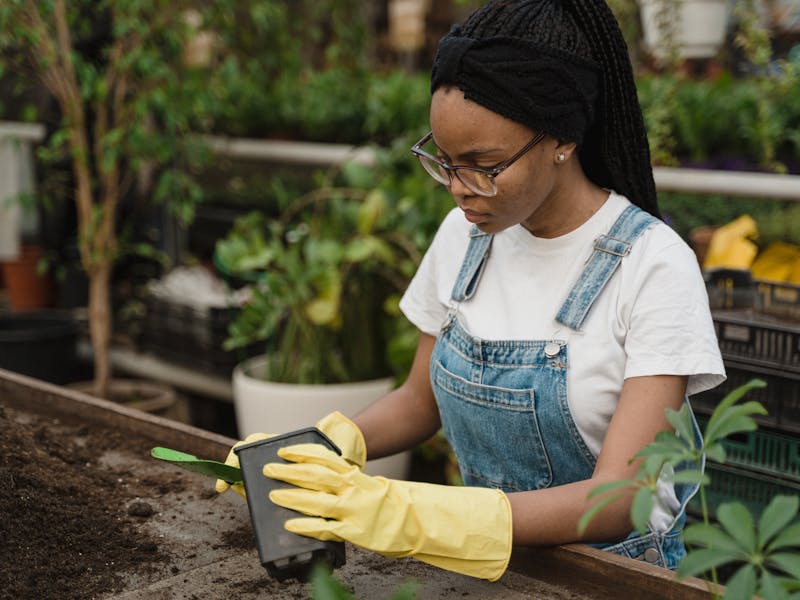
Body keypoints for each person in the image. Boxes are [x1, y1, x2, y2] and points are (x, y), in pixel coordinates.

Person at [217, 0, 725, 582]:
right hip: (490, 574)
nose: (459, 190)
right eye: (445, 162)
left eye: (484, 165)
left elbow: (618, 498)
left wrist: (412, 514)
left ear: (562, 136)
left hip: (616, 580)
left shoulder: (653, 266)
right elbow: (419, 401)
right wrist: (329, 442)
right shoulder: (465, 238)